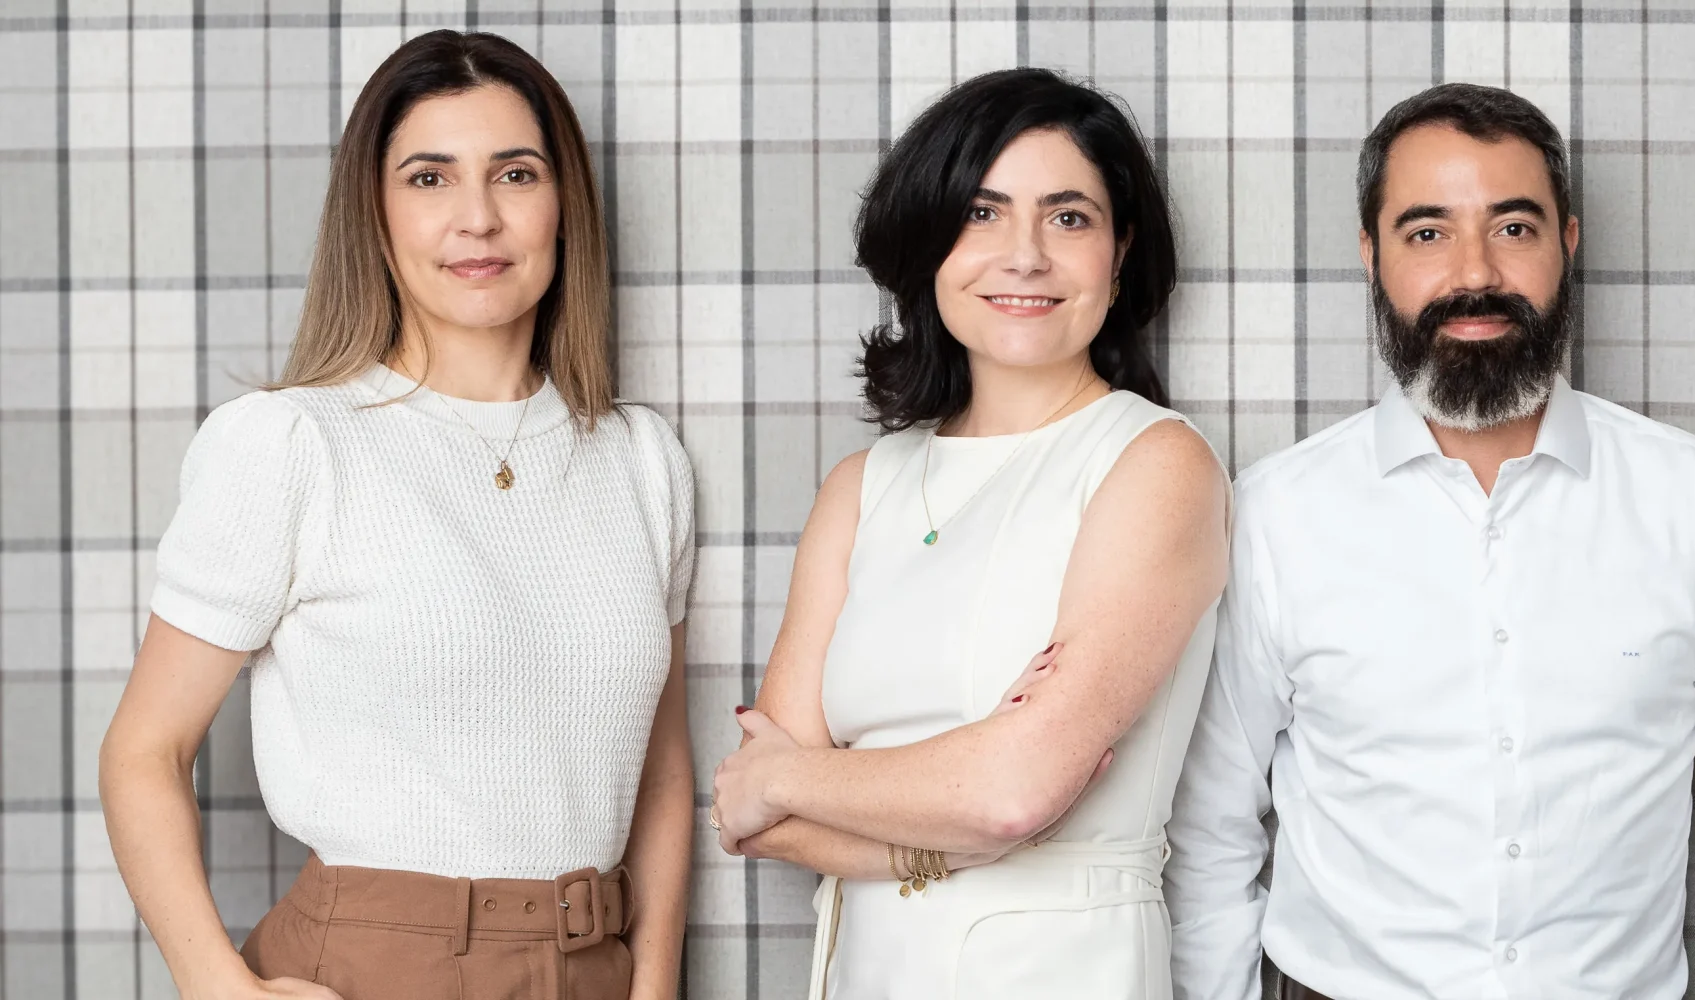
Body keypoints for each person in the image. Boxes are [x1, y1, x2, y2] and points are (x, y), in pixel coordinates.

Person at [1163, 83, 1695, 1000]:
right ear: (1372, 255)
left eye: (1513, 228)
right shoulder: (1275, 515)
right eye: (1427, 233)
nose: (1473, 273)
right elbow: (1207, 832)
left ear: (1568, 242)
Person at [98, 29, 696, 1000]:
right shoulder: (291, 443)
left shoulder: (641, 460)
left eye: (515, 173)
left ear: (564, 206)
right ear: (373, 215)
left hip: (595, 963)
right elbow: (143, 750)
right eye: (429, 178)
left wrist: (654, 982)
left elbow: (659, 771)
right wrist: (217, 988)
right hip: (373, 966)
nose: (478, 217)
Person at [705, 68, 1227, 999]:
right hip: (863, 971)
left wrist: (795, 777)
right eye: (982, 214)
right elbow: (758, 818)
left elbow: (1011, 792)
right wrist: (941, 830)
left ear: (1119, 254)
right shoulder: (863, 486)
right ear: (928, 243)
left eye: (1069, 218)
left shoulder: (1155, 463)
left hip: (1062, 970)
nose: (1024, 256)